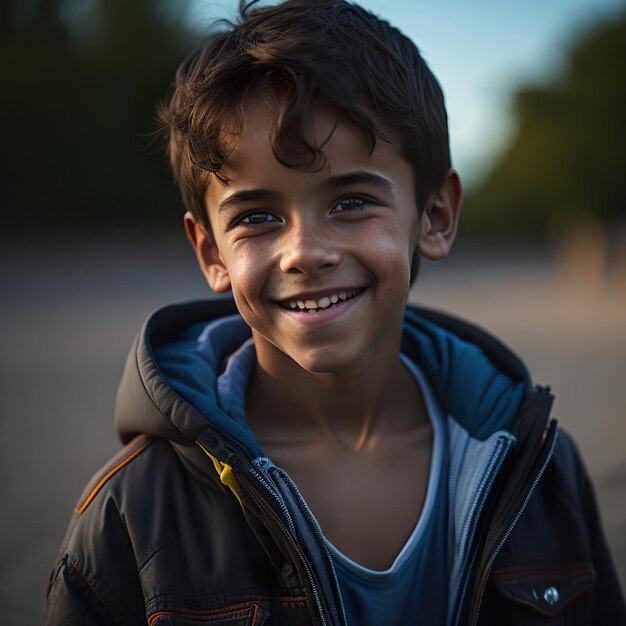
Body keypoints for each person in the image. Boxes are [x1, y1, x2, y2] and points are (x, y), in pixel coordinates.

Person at [45, 0, 625, 624]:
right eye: (257, 216)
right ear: (211, 251)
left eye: (350, 201)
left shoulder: (539, 471)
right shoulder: (132, 512)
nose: (305, 253)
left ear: (434, 216)